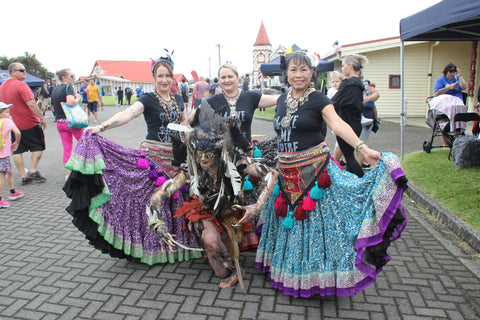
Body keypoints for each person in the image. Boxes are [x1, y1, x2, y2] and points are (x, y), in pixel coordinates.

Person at [243, 51, 407, 298]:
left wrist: (362, 147)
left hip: (315, 174)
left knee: (316, 230)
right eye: (293, 70)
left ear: (312, 73)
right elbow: (259, 112)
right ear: (286, 73)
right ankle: (291, 274)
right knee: (291, 228)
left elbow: (338, 125)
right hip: (287, 175)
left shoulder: (320, 100)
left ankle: (316, 281)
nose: (298, 75)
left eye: (304, 70)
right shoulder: (280, 100)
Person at [63, 52, 201, 266]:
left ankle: (175, 246)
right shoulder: (147, 99)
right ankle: (151, 247)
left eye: (168, 76)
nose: (164, 80)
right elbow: (129, 113)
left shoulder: (176, 98)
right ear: (154, 78)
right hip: (153, 158)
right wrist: (101, 127)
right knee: (152, 202)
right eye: (160, 76)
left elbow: (183, 120)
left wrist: (191, 130)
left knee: (175, 200)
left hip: (176, 158)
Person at [148, 100, 278, 289]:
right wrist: (156, 220)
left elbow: (271, 174)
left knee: (218, 262)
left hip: (229, 214)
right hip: (204, 211)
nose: (202, 158)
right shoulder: (191, 167)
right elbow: (160, 194)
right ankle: (223, 256)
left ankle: (220, 252)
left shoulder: (236, 162)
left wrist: (256, 206)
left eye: (208, 152)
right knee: (213, 247)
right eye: (198, 152)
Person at [194, 63, 278, 143]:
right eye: (223, 77)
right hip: (222, 154)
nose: (227, 80)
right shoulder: (213, 101)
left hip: (245, 153)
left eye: (230, 76)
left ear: (237, 77)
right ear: (219, 79)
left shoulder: (250, 97)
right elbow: (192, 118)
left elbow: (278, 99)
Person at [0, 62, 47, 185]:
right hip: (29, 123)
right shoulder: (21, 85)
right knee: (38, 146)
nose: (24, 72)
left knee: (17, 149)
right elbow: (31, 103)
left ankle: (23, 175)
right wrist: (41, 117)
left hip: (12, 125)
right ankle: (32, 171)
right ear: (13, 72)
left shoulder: (2, 86)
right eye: (22, 70)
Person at [331, 54, 368, 178]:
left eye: (343, 65)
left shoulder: (348, 84)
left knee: (349, 157)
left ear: (351, 66)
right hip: (355, 124)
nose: (342, 68)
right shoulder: (358, 84)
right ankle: (355, 183)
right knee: (349, 156)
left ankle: (362, 182)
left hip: (345, 125)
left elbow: (334, 102)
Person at [51, 69, 84, 178]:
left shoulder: (55, 89)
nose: (73, 78)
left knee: (67, 150)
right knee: (86, 144)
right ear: (64, 78)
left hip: (59, 123)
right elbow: (70, 102)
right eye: (72, 76)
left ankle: (68, 174)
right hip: (71, 123)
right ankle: (88, 172)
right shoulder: (68, 88)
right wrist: (78, 98)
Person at [0, 102, 23, 208]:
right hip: (3, 154)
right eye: (6, 112)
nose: (9, 113)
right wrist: (16, 142)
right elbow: (17, 133)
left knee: (10, 171)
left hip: (3, 153)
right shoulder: (7, 121)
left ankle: (12, 191)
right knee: (2, 175)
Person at [358, 79, 380, 167]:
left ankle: (359, 166)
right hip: (355, 115)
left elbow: (376, 95)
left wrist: (367, 99)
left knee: (361, 142)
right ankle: (363, 162)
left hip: (367, 116)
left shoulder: (367, 85)